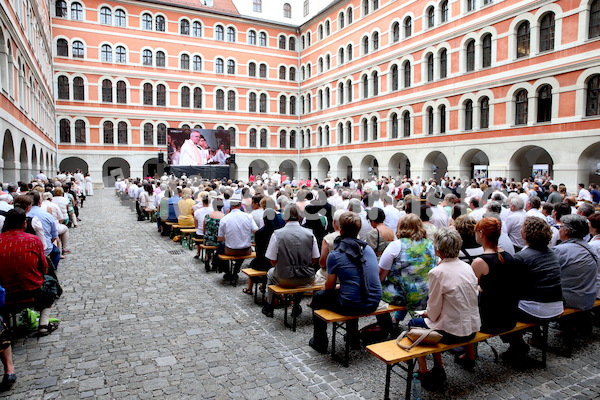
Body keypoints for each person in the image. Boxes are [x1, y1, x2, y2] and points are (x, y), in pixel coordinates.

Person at [411, 228, 480, 390]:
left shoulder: (437, 272)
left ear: (437, 250)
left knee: (415, 325)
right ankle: (469, 357)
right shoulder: (467, 267)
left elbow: (434, 312)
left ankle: (431, 370)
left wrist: (426, 313)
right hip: (472, 327)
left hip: (453, 331)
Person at [309, 211, 382, 354]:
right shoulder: (367, 249)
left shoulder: (335, 255)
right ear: (358, 230)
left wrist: (328, 289)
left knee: (319, 297)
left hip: (354, 304)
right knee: (348, 292)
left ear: (340, 230)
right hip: (373, 300)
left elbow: (329, 287)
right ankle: (352, 337)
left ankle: (320, 341)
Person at [0, 209, 58, 390]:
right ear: (24, 224)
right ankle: (43, 322)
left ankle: (9, 322)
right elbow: (43, 267)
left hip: (4, 295)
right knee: (51, 283)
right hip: (31, 291)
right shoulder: (32, 240)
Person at [503, 216, 563, 360]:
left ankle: (517, 343)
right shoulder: (552, 253)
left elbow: (511, 287)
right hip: (556, 305)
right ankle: (535, 335)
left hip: (536, 308)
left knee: (499, 312)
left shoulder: (521, 257)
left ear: (524, 234)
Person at [377, 213, 437, 335]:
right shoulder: (430, 245)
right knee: (408, 285)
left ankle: (387, 327)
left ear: (401, 227)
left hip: (401, 295)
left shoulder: (395, 246)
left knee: (375, 291)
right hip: (426, 293)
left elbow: (380, 276)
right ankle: (396, 320)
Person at [262, 204, 319, 318]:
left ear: (285, 217)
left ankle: (270, 305)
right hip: (306, 277)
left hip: (285, 277)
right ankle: (296, 304)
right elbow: (315, 258)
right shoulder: (309, 233)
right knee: (303, 279)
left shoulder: (277, 234)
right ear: (299, 216)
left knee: (270, 273)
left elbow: (272, 260)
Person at [471, 217, 518, 334]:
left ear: (481, 233)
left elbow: (470, 289)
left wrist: (481, 288)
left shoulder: (479, 262)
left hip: (489, 321)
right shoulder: (508, 256)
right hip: (509, 317)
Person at [553, 214, 598, 334]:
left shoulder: (561, 250)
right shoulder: (588, 246)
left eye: (560, 227)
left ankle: (536, 335)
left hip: (572, 299)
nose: (559, 229)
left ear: (567, 231)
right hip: (588, 295)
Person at [217, 193, 258, 281]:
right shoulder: (248, 217)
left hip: (230, 250)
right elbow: (256, 231)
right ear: (240, 205)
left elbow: (220, 239)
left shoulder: (225, 218)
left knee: (221, 247)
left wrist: (229, 236)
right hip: (246, 250)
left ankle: (228, 272)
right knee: (242, 246)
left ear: (231, 205)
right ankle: (236, 270)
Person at [192, 192, 212, 259]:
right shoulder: (213, 211)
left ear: (202, 202)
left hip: (200, 233)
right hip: (209, 234)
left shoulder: (197, 211)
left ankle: (198, 252)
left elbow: (196, 225)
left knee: (197, 232)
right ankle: (209, 255)